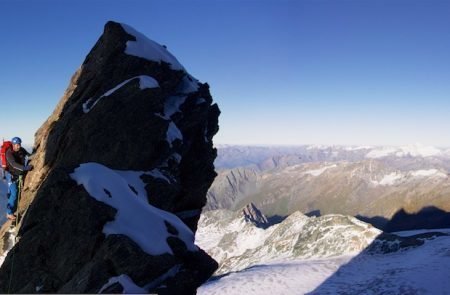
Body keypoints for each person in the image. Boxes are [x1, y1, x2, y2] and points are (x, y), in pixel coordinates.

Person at [5, 137, 33, 221]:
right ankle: (9, 213)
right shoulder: (9, 153)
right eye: (17, 144)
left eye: (19, 144)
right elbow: (13, 165)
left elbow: (29, 155)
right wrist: (25, 168)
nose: (19, 146)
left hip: (19, 175)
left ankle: (12, 212)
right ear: (13, 145)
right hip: (12, 176)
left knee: (17, 194)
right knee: (14, 194)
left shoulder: (21, 150)